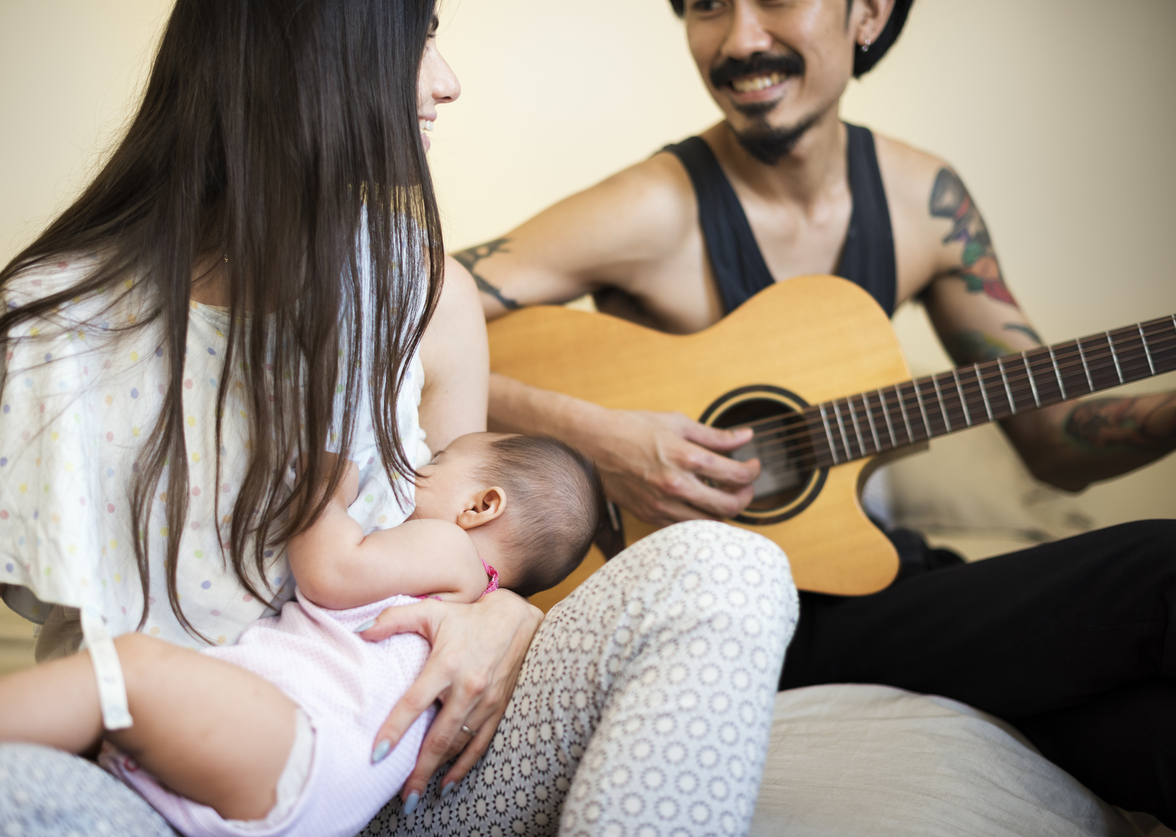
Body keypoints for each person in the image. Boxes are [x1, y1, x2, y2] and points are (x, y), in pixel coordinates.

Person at [0, 2, 802, 836]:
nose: (448, 81)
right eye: (420, 37)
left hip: (415, 769)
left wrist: (503, 616)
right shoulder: (50, 326)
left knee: (729, 568)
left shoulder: (426, 291)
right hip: (179, 789)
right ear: (316, 58)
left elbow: (475, 542)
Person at [457, 0, 1176, 825]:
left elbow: (1052, 443)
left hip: (867, 581)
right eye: (705, 6)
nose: (740, 39)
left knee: (1151, 734)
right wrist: (598, 438)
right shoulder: (655, 205)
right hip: (730, 618)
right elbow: (399, 317)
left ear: (868, 12)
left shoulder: (926, 203)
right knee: (1161, 563)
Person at [0, 431, 604, 836]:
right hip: (302, 775)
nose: (411, 470)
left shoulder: (453, 554)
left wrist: (327, 485)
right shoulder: (459, 588)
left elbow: (333, 570)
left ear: (480, 505)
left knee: (129, 671)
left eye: (433, 464)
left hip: (305, 751)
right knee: (132, 704)